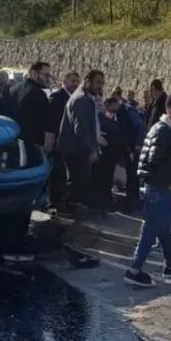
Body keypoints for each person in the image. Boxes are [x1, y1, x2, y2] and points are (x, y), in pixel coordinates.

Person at [124, 93, 171, 288]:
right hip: (159, 190)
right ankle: (134, 270)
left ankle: (170, 265)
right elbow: (154, 161)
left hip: (161, 189)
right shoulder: (164, 132)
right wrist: (166, 184)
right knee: (151, 228)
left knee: (163, 227)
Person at [56, 70, 106, 268]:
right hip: (77, 153)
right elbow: (81, 129)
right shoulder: (82, 100)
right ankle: (70, 237)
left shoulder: (85, 99)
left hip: (77, 152)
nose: (100, 86)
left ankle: (72, 235)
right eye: (97, 82)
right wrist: (92, 149)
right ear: (88, 82)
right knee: (80, 191)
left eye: (102, 83)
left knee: (81, 190)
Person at [48, 70, 80, 211]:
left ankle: (62, 200)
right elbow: (54, 121)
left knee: (63, 174)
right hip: (58, 142)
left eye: (77, 81)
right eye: (72, 81)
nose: (75, 84)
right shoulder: (57, 97)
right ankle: (55, 203)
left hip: (68, 143)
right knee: (58, 174)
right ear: (64, 81)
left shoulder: (74, 98)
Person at [6, 62, 54, 151]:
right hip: (32, 145)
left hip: (14, 140)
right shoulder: (37, 94)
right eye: (46, 75)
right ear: (34, 73)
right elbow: (48, 123)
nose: (48, 79)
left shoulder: (14, 88)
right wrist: (48, 145)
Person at [94, 96, 127, 213]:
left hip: (108, 154)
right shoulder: (105, 120)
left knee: (104, 180)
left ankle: (103, 204)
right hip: (108, 154)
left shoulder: (104, 120)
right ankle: (103, 205)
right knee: (105, 180)